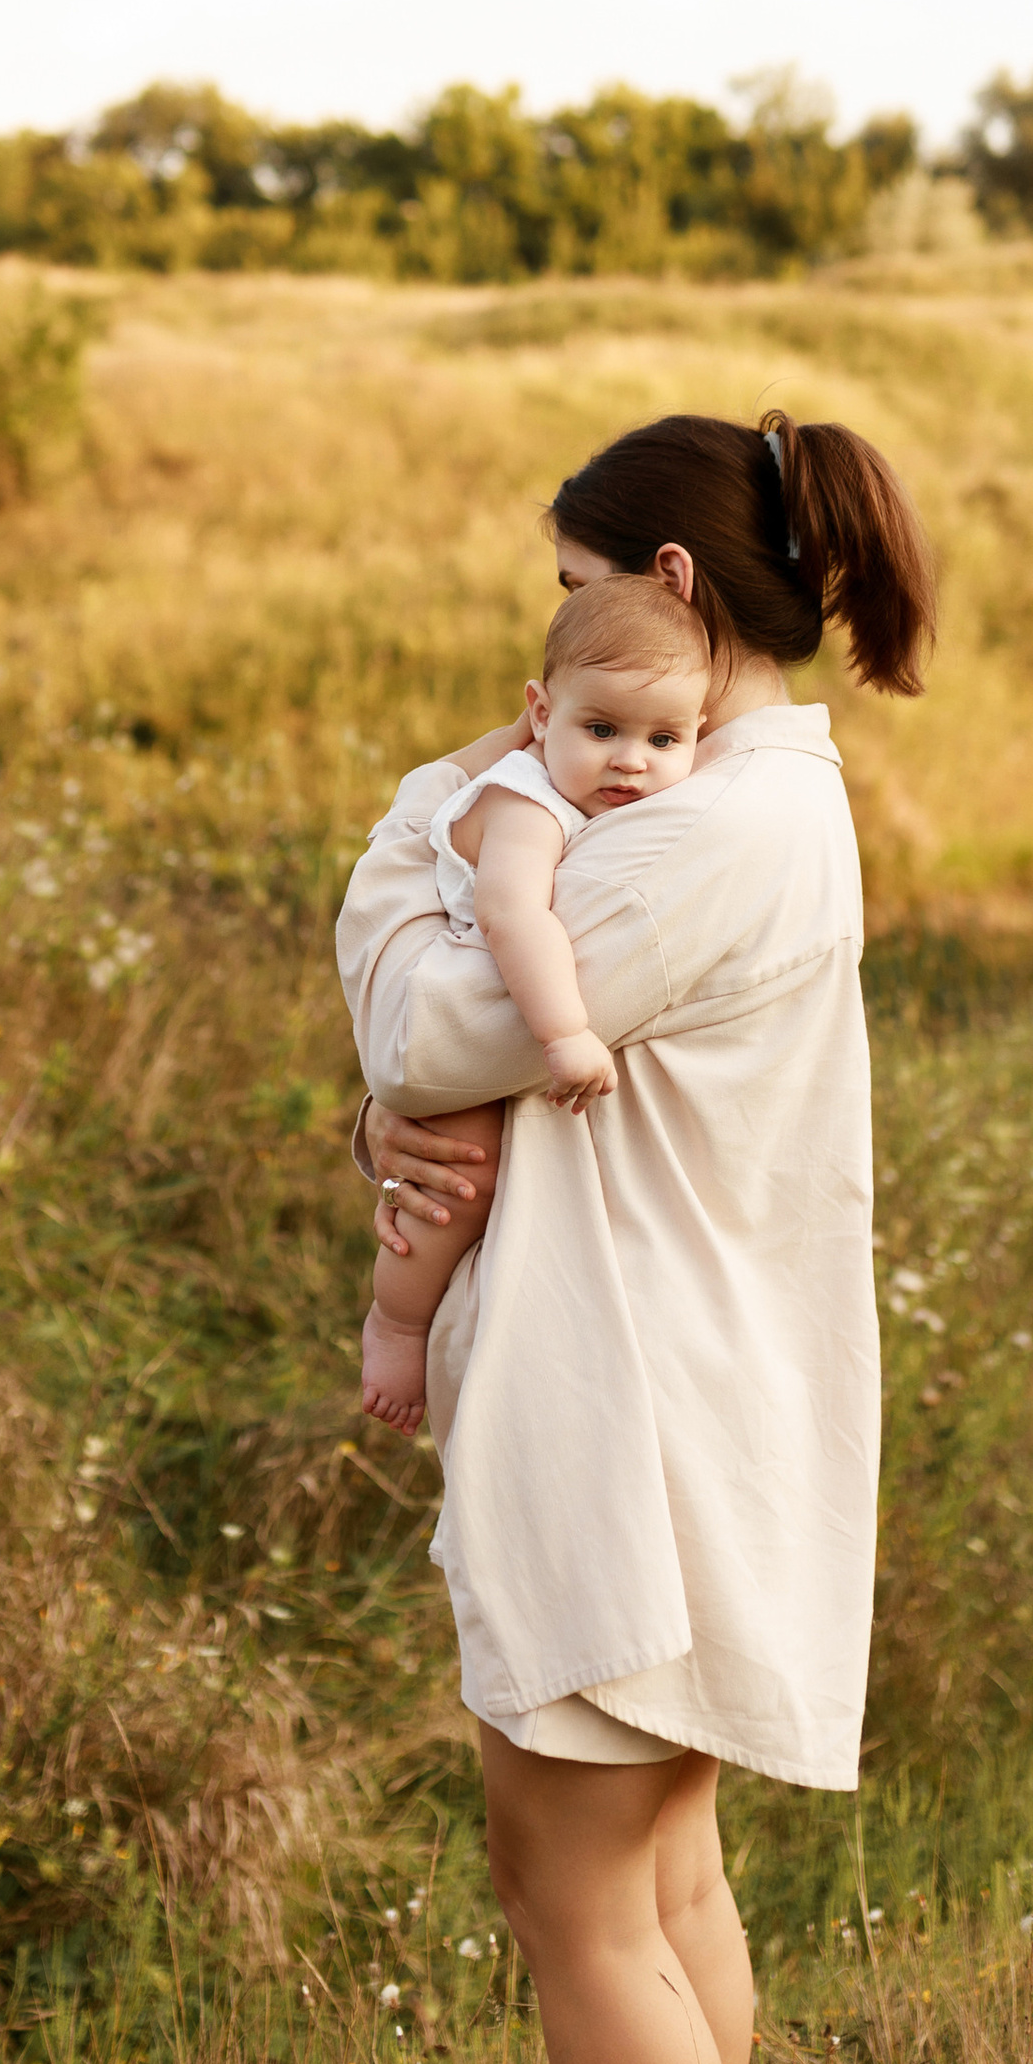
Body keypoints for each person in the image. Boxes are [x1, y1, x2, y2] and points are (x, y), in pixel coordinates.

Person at [334, 405, 936, 2064]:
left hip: (628, 1414)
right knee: (661, 1877)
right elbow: (473, 1058)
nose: (555, 649)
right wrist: (396, 1107)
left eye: (572, 595)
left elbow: (431, 1026)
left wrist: (416, 830)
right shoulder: (733, 803)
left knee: (567, 1895)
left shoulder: (700, 826)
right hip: (684, 1392)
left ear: (665, 587)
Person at [359, 573, 710, 1433]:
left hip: (482, 1004)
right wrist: (564, 1033)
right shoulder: (529, 802)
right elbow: (513, 913)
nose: (630, 759)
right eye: (602, 729)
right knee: (460, 1179)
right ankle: (396, 1321)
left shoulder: (621, 799)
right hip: (470, 984)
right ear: (541, 713)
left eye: (664, 738)